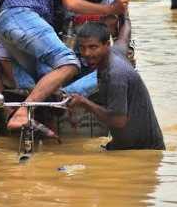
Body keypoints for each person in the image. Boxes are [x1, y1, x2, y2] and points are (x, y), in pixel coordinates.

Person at [0, 0, 129, 129]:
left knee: (46, 71)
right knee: (69, 63)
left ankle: (46, 106)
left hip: (9, 24)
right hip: (22, 17)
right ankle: (24, 112)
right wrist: (111, 9)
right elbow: (71, 4)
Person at [68, 22, 165, 150]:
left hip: (141, 151)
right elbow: (124, 37)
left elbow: (117, 120)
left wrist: (85, 103)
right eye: (82, 48)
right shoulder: (116, 52)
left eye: (93, 47)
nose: (87, 53)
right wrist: (124, 16)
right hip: (127, 146)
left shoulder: (115, 75)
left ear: (107, 45)